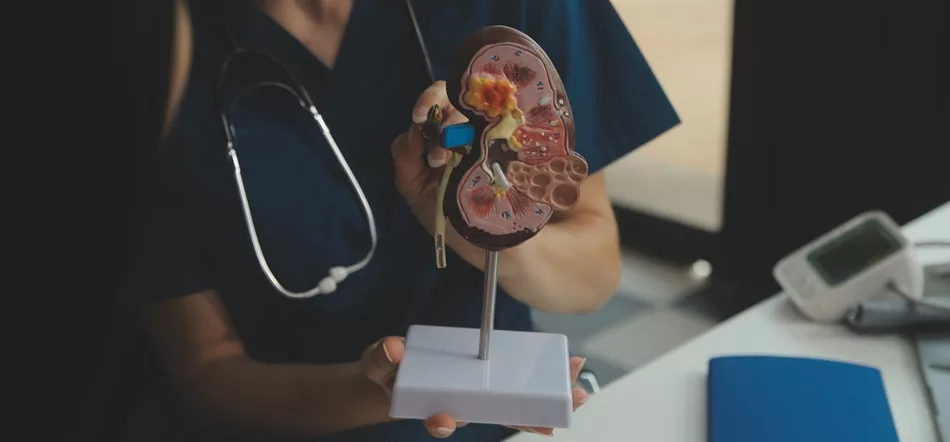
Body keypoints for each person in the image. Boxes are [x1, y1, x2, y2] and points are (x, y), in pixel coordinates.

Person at [140, 0, 680, 440]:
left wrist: (475, 217)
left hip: (505, 426)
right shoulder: (144, 49)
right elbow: (206, 373)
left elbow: (591, 274)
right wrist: (381, 389)